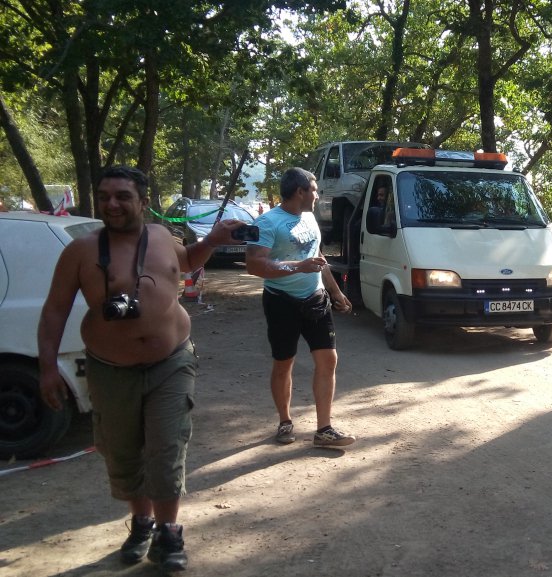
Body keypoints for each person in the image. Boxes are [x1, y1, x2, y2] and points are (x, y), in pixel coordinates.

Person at [37, 165, 246, 571]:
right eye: (104, 197)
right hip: (110, 369)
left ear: (144, 202)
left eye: (122, 196)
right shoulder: (80, 252)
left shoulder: (162, 236)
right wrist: (47, 368)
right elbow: (54, 311)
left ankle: (168, 533)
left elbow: (187, 263)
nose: (112, 204)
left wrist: (213, 241)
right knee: (123, 451)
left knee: (167, 446)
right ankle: (142, 522)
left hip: (172, 362)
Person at [245, 167, 356, 450]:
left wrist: (335, 292)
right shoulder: (267, 222)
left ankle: (324, 430)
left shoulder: (309, 217)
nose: (318, 195)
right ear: (300, 192)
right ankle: (285, 421)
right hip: (281, 301)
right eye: (314, 190)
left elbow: (316, 257)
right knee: (284, 363)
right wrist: (297, 266)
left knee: (328, 360)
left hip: (315, 298)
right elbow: (254, 265)